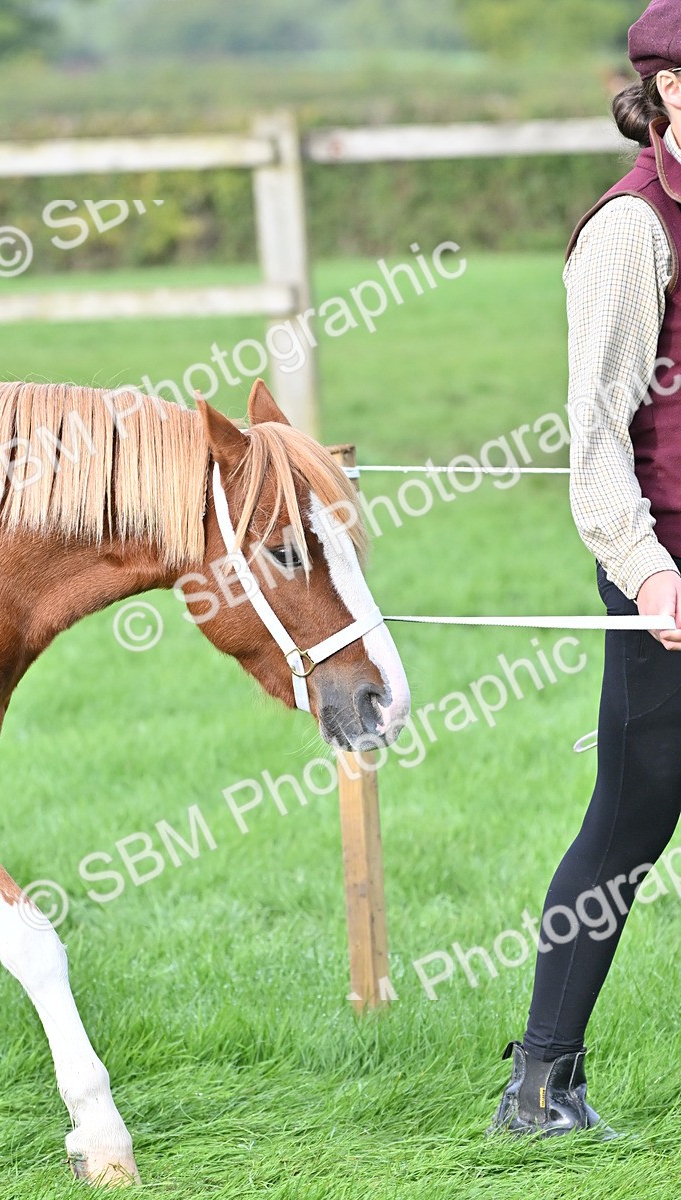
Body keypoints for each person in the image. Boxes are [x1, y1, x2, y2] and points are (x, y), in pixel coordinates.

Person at [489, 0, 681, 1137]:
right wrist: (649, 575)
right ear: (661, 91)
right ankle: (538, 1086)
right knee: (629, 813)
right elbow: (595, 438)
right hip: (665, 565)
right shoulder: (629, 231)